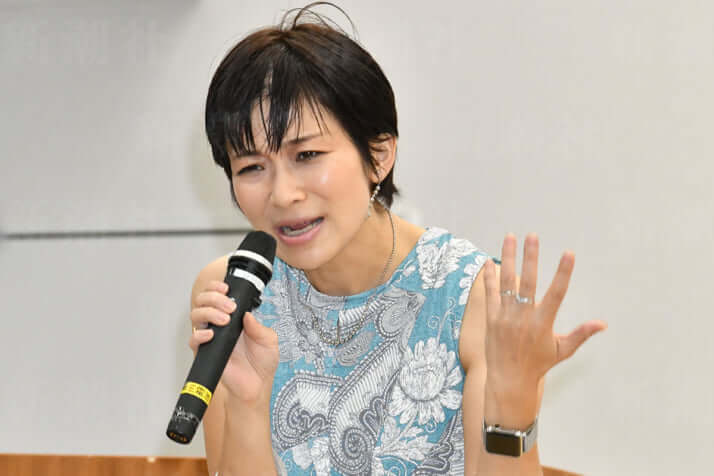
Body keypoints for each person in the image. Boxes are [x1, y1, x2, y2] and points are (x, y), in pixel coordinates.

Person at [188, 3, 607, 475]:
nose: (283, 194)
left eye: (307, 155)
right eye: (251, 167)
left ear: (379, 154)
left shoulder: (468, 296)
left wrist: (512, 405)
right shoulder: (235, 292)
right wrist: (247, 406)